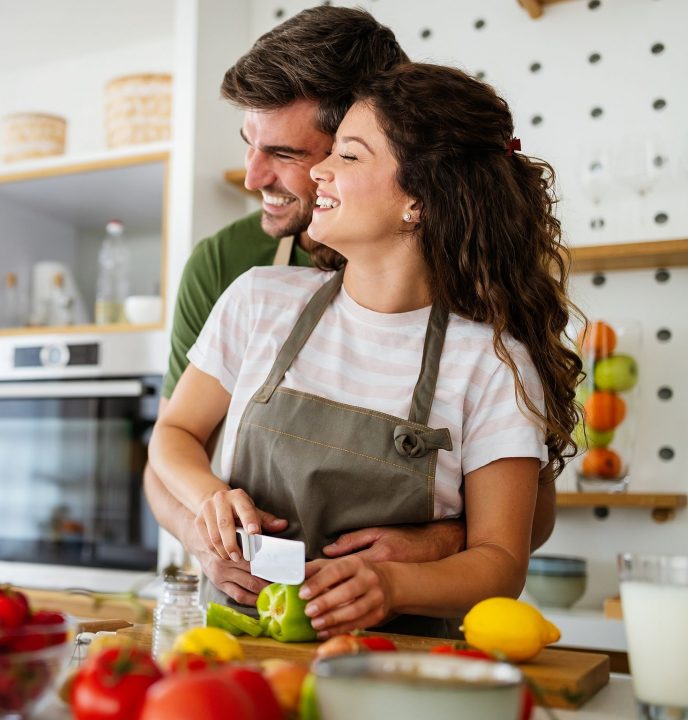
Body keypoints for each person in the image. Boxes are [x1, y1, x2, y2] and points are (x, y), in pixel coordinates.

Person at [150, 61, 583, 637]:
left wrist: (394, 586)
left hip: (397, 667)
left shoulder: (491, 361)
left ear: (421, 202)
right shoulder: (257, 299)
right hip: (234, 651)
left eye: (348, 155)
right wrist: (209, 499)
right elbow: (173, 435)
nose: (320, 172)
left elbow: (501, 562)